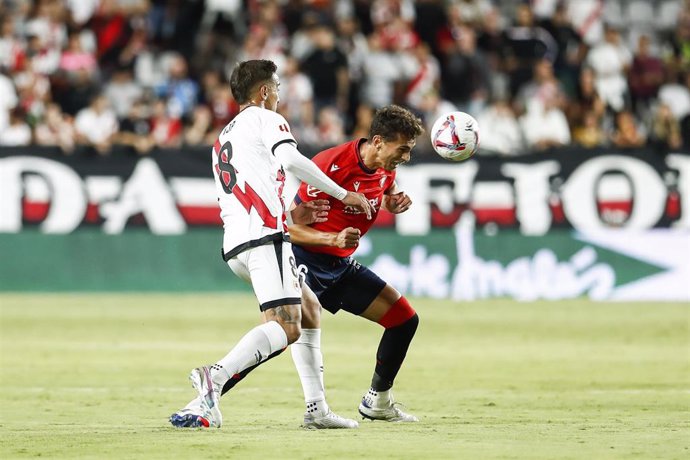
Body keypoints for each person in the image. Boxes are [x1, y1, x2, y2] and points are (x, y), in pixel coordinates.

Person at [169, 59, 373, 429]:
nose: (279, 94)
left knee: (309, 308)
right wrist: (344, 194)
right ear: (263, 92)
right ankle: (213, 377)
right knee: (288, 327)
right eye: (277, 87)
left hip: (238, 241)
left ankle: (317, 409)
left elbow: (249, 190)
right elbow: (290, 158)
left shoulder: (223, 138)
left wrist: (292, 217)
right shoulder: (267, 119)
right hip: (265, 239)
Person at [288, 105, 424, 423]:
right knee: (286, 331)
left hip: (339, 263)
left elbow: (382, 188)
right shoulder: (329, 166)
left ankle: (378, 401)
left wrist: (391, 201)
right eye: (402, 150)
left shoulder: (386, 168)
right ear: (378, 141)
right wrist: (332, 240)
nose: (405, 158)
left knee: (404, 319)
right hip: (304, 259)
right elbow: (288, 227)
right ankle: (217, 381)